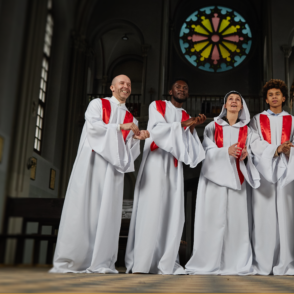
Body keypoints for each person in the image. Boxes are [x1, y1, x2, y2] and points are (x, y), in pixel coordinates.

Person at [50, 75, 150, 274]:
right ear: (112, 87)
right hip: (92, 164)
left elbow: (127, 152)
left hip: (113, 172)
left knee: (107, 213)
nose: (126, 86)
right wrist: (120, 127)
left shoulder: (132, 118)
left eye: (129, 84)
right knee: (85, 207)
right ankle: (75, 259)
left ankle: (101, 261)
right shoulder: (98, 104)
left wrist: (137, 138)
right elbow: (93, 127)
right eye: (122, 83)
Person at [125, 79, 206, 275]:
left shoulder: (186, 114)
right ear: (170, 91)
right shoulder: (157, 105)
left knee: (172, 210)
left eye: (186, 88)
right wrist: (184, 124)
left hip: (174, 167)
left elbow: (190, 149)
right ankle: (143, 262)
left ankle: (167, 262)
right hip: (156, 161)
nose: (182, 90)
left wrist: (192, 127)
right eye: (178, 87)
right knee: (151, 207)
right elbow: (157, 130)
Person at [185, 91, 260, 276]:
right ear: (224, 105)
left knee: (237, 222)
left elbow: (255, 152)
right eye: (230, 100)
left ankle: (236, 263)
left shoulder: (248, 130)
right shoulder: (213, 126)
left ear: (242, 106)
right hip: (214, 180)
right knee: (212, 220)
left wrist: (245, 155)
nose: (234, 102)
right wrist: (226, 150)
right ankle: (208, 261)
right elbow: (206, 149)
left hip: (237, 180)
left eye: (238, 100)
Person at [248, 79, 294, 275]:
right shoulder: (256, 120)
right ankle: (264, 262)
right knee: (264, 217)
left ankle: (287, 262)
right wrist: (276, 149)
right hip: (264, 172)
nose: (274, 97)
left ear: (283, 98)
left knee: (287, 216)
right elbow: (253, 144)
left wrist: (289, 150)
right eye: (270, 95)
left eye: (277, 94)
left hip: (286, 173)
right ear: (266, 99)